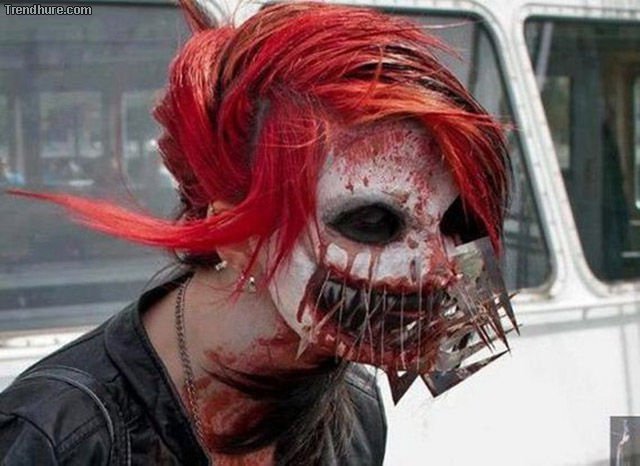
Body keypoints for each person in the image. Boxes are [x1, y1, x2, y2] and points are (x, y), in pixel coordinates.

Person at [0, 2, 516, 464]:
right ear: (236, 235)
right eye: (372, 223)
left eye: (459, 222)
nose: (444, 267)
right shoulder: (58, 437)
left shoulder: (354, 404)